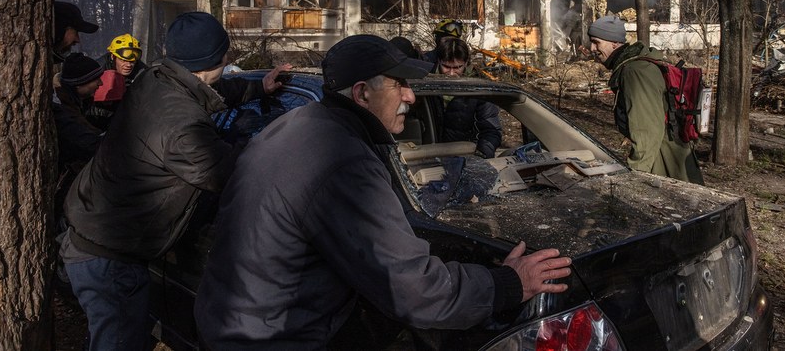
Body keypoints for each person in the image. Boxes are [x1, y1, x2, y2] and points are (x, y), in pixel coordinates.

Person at [194, 35, 572, 348]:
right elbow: (411, 288)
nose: (411, 97)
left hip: (240, 319)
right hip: (273, 338)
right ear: (361, 94)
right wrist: (506, 284)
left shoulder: (301, 125)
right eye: (400, 85)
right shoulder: (340, 160)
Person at [60, 11, 293, 351]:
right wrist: (278, 141)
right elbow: (232, 173)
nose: (228, 59)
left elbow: (206, 92)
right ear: (214, 59)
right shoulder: (182, 129)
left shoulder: (157, 78)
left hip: (95, 236)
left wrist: (259, 86)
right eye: (224, 53)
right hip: (111, 260)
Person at [585, 15, 704, 184]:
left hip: (665, 162)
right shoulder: (634, 66)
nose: (592, 48)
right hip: (667, 154)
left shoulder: (635, 71)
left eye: (596, 42)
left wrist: (634, 180)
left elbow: (647, 133)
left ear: (614, 42)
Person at [52, 54, 104, 213]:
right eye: (96, 80)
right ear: (79, 84)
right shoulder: (63, 109)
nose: (100, 83)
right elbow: (86, 142)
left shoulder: (77, 102)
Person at [435, 37, 502, 158]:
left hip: (463, 157)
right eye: (446, 67)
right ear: (439, 61)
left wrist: (481, 156)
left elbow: (491, 131)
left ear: (466, 63)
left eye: (457, 67)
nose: (451, 73)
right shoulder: (424, 81)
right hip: (425, 157)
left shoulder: (478, 90)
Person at [87, 33, 148, 130]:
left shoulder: (143, 73)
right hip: (95, 116)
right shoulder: (96, 69)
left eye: (132, 61)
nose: (129, 65)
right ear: (113, 57)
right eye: (123, 60)